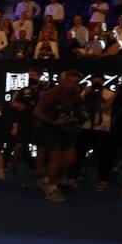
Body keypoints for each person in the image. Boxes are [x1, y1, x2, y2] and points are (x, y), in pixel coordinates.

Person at [34, 70, 83, 202]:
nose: (72, 85)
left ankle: (50, 179)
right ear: (63, 81)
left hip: (63, 130)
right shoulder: (52, 94)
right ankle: (51, 188)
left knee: (71, 158)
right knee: (55, 156)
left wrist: (75, 119)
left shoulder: (76, 95)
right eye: (69, 81)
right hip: (47, 128)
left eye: (75, 82)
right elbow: (36, 112)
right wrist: (52, 122)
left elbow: (76, 111)